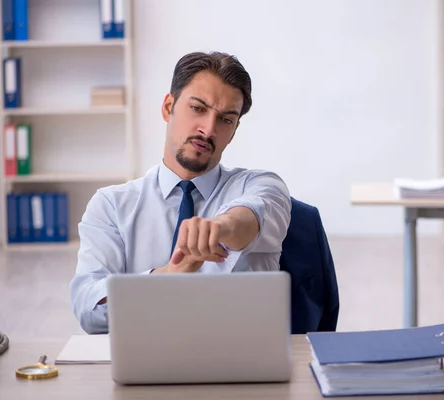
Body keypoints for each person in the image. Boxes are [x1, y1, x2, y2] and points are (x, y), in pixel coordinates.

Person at [70, 51, 292, 334]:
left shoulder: (261, 185)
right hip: (145, 365)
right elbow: (88, 309)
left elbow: (254, 214)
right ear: (168, 107)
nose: (208, 129)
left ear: (234, 130)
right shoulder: (111, 206)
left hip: (240, 369)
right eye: (198, 109)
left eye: (225, 119)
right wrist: (166, 277)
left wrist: (220, 227)